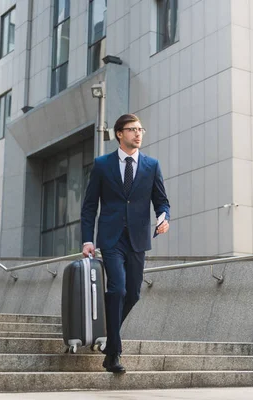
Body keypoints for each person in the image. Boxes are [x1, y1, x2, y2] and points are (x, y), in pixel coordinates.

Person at [81, 113, 170, 373]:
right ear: (120, 133)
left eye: (140, 129)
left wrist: (164, 217)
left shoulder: (151, 165)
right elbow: (89, 207)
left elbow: (161, 201)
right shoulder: (102, 165)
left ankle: (108, 340)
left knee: (133, 294)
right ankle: (115, 353)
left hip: (139, 238)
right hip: (111, 238)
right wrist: (87, 239)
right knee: (117, 289)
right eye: (132, 129)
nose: (138, 133)